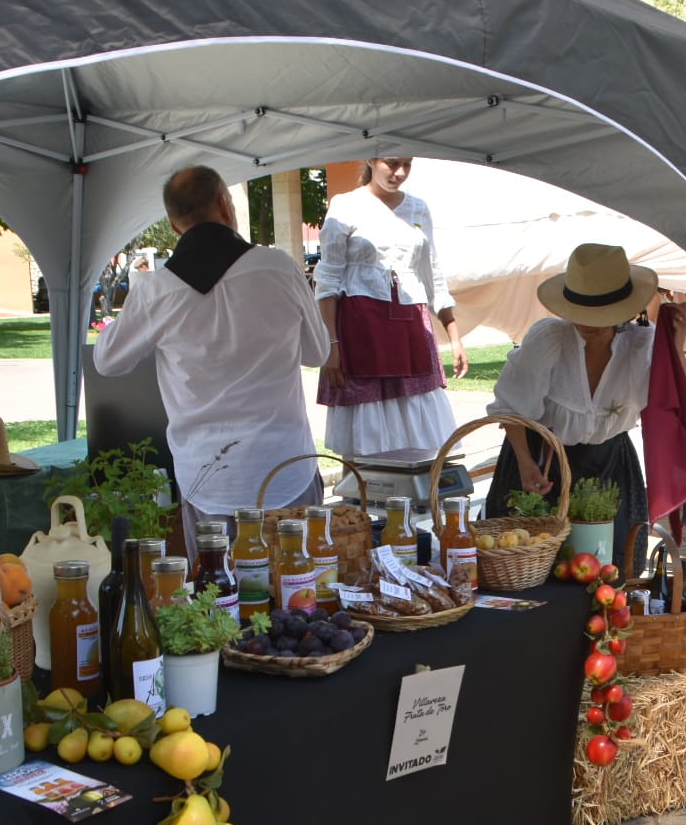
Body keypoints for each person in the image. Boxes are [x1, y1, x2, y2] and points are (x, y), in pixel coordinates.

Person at [92, 165, 329, 549]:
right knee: (300, 594)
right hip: (284, 465)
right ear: (224, 203)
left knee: (217, 600)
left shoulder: (157, 291)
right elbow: (317, 353)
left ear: (173, 226)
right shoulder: (278, 267)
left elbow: (107, 361)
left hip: (209, 475)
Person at [483, 244, 686, 573]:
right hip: (540, 463)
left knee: (608, 569)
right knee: (528, 566)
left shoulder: (642, 347)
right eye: (580, 313)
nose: (588, 324)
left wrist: (674, 346)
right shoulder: (548, 340)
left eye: (600, 316)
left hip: (609, 468)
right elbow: (513, 409)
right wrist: (525, 462)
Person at [314, 157, 466, 457]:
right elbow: (328, 279)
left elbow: (431, 273)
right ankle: (363, 495)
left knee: (420, 430)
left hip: (411, 326)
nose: (400, 173)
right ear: (371, 160)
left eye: (407, 165)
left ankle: (416, 494)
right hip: (361, 327)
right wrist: (331, 344)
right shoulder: (345, 206)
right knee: (364, 433)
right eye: (392, 164)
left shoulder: (418, 208)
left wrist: (455, 335)